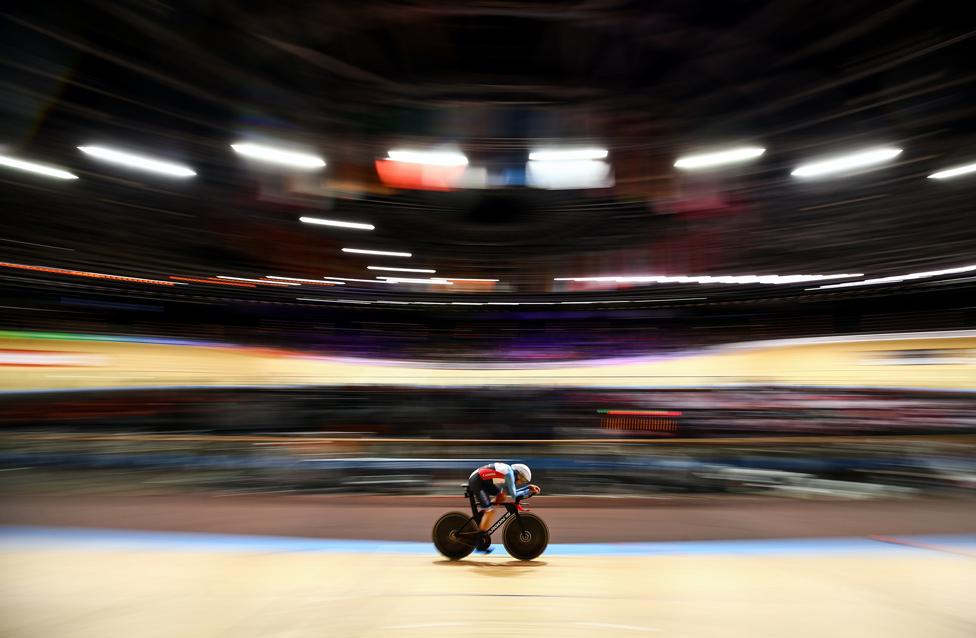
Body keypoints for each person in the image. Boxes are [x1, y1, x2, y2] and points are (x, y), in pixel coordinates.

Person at [467, 462, 541, 553]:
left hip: (481, 480)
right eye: (522, 480)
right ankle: (479, 542)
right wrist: (528, 490)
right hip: (477, 481)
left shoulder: (507, 473)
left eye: (524, 482)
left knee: (502, 496)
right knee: (491, 511)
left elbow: (511, 491)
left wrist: (528, 488)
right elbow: (514, 495)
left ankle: (482, 516)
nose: (521, 482)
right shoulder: (509, 474)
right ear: (518, 474)